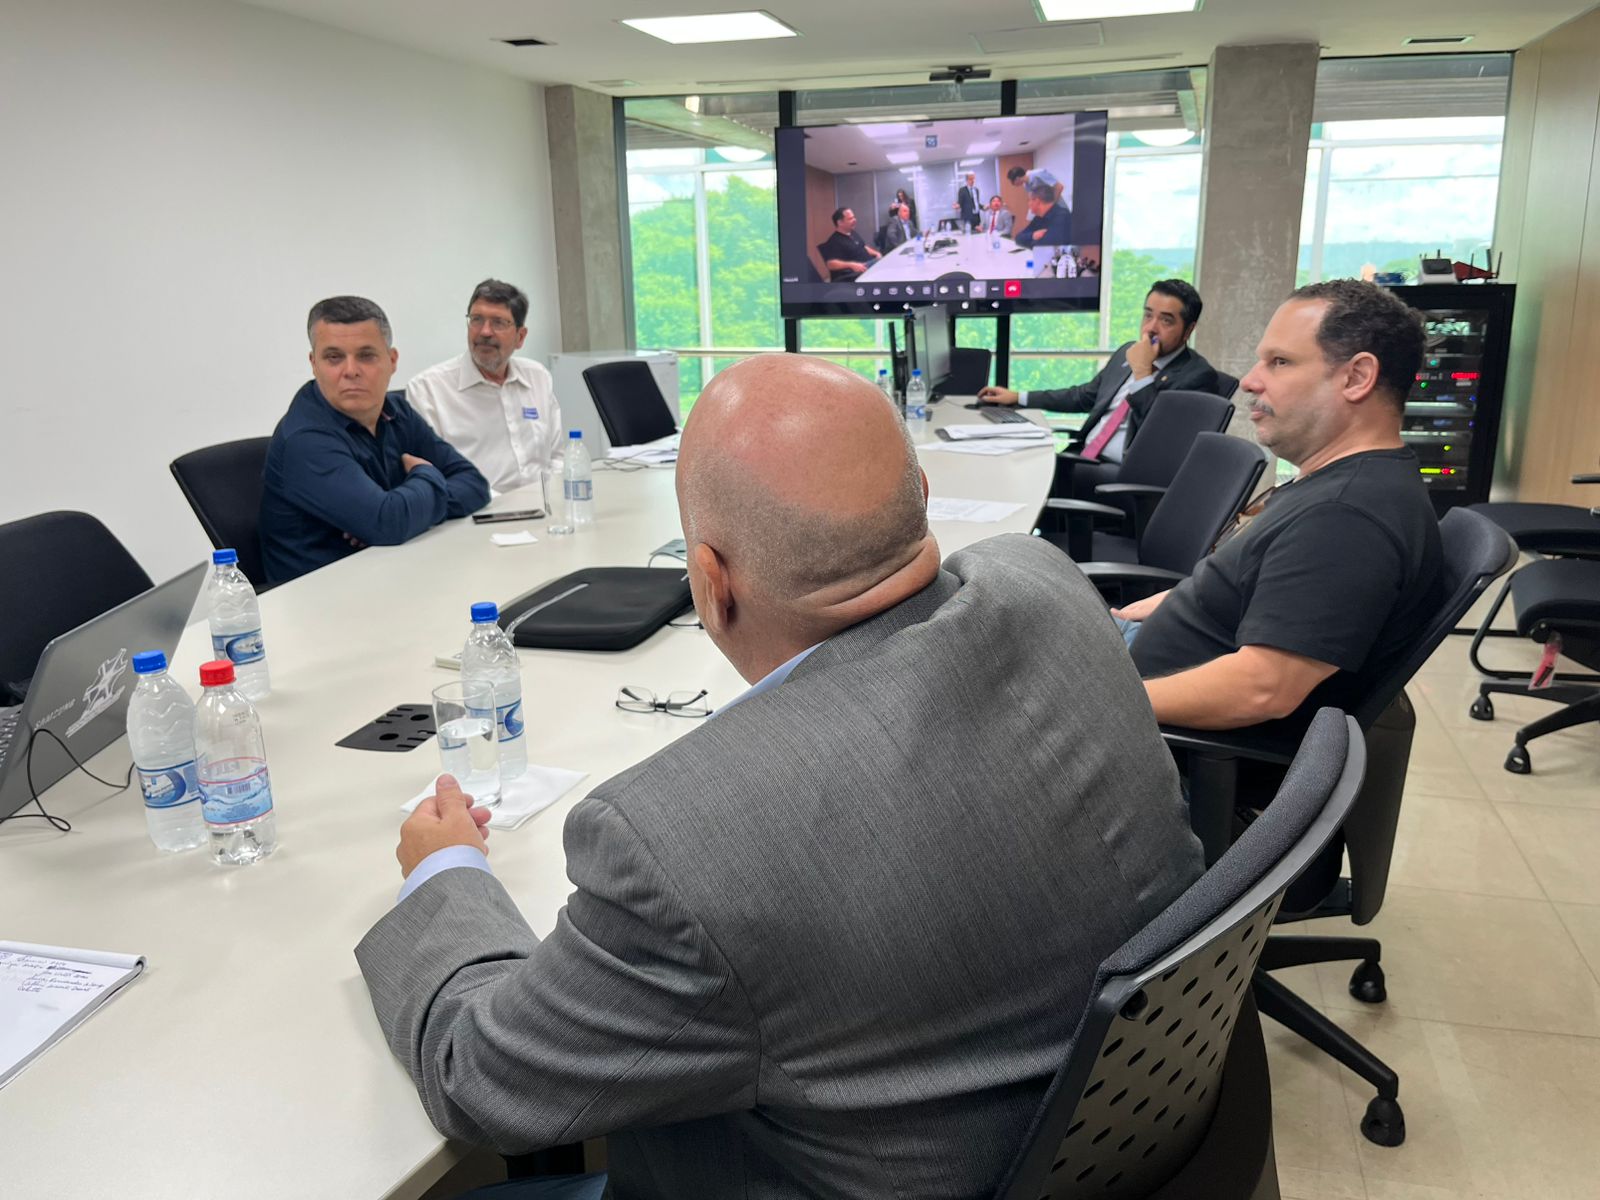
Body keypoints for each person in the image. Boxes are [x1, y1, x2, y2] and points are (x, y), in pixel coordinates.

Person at [355, 354, 1203, 1200]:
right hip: (1100, 1140)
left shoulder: (683, 850)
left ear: (710, 582)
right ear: (920, 503)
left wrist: (445, 869)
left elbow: (481, 1077)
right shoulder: (1046, 580)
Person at [1115, 279, 1444, 729]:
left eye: (1280, 362)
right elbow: (1277, 589)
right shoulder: (1344, 483)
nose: (1251, 380)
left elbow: (1262, 688)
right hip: (1137, 669)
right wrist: (1186, 601)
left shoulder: (1346, 519)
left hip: (1138, 733)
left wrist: (1097, 704)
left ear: (1356, 377)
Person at [259, 296, 489, 585]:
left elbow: (474, 484)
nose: (351, 370)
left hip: (392, 574)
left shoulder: (395, 411)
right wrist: (425, 475)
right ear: (313, 363)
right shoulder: (305, 439)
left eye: (366, 355)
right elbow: (388, 523)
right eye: (334, 357)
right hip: (324, 601)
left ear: (392, 361)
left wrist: (399, 508)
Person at [979, 279, 1220, 475]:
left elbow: (1158, 436)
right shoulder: (1127, 351)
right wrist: (1018, 396)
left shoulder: (1197, 376)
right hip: (1084, 458)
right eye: (1148, 315)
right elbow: (1084, 396)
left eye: (1166, 320)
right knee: (1012, 465)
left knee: (1029, 476)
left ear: (1189, 330)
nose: (1151, 328)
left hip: (1124, 475)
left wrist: (1143, 373)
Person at [406, 279, 563, 495]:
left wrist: (552, 499)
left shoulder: (538, 377)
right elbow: (432, 476)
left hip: (546, 508)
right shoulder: (428, 390)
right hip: (475, 514)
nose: (485, 332)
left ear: (520, 337)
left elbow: (557, 457)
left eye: (498, 322)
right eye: (477, 320)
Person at [817, 206, 880, 281]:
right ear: (840, 222)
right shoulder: (834, 241)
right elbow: (830, 264)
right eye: (850, 219)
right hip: (857, 271)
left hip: (869, 263)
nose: (855, 220)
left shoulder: (852, 233)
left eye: (854, 217)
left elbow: (863, 247)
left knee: (884, 261)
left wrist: (876, 253)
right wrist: (851, 265)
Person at [1012, 176, 1072, 247]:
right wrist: (1032, 235)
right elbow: (1018, 238)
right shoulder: (1038, 217)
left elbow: (1044, 246)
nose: (1028, 204)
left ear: (1037, 201)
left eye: (1029, 200)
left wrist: (1030, 240)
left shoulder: (1062, 216)